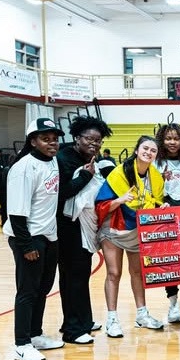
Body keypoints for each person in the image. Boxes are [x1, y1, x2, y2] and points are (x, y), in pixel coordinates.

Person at [4, 118, 65, 360]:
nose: (52, 143)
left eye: (54, 138)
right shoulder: (23, 168)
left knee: (43, 288)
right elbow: (16, 213)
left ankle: (35, 334)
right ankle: (21, 343)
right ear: (33, 141)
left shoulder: (53, 162)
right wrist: (26, 245)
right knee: (27, 291)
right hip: (29, 237)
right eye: (45, 138)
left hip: (49, 235)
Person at [95, 135, 166, 337]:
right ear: (136, 150)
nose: (148, 153)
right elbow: (100, 206)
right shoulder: (118, 174)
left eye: (153, 150)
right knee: (114, 273)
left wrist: (163, 206)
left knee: (137, 272)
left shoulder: (156, 177)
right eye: (145, 148)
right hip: (114, 228)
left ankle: (142, 315)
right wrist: (120, 199)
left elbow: (155, 203)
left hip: (137, 229)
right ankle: (112, 319)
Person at [56, 116, 113, 344]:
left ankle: (83, 320)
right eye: (89, 139)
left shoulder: (89, 158)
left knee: (80, 275)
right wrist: (86, 175)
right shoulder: (64, 158)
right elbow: (63, 192)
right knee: (73, 277)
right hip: (67, 227)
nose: (94, 144)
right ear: (77, 138)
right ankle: (72, 330)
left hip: (83, 226)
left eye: (98, 140)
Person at [154, 121, 180, 324]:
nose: (172, 142)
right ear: (161, 140)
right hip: (165, 219)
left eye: (176, 138)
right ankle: (173, 303)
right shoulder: (155, 163)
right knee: (170, 263)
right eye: (168, 138)